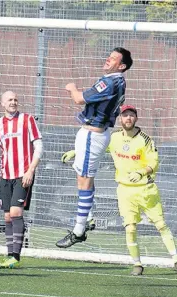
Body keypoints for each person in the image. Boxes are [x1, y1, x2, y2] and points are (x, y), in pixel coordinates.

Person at [62, 105, 177, 276]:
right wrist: (76, 152)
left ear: (136, 119)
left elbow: (154, 162)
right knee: (130, 228)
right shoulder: (114, 138)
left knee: (161, 225)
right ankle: (137, 264)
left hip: (146, 189)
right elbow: (97, 148)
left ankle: (176, 260)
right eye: (125, 115)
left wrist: (141, 171)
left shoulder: (145, 139)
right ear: (120, 119)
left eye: (131, 115)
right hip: (125, 191)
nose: (128, 118)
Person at [56, 47, 133, 248]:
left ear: (122, 66)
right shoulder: (116, 80)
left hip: (94, 134)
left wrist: (72, 88)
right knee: (82, 176)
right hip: (91, 133)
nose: (108, 59)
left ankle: (79, 230)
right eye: (109, 56)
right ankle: (88, 217)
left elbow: (79, 98)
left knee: (84, 179)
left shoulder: (110, 81)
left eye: (114, 58)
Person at [0, 91, 42, 268]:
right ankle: (9, 255)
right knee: (7, 217)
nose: (13, 102)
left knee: (15, 213)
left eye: (15, 99)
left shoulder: (27, 120)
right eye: (10, 100)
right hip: (5, 176)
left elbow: (39, 146)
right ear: (2, 104)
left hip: (23, 174)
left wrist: (31, 170)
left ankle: (15, 257)